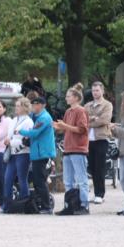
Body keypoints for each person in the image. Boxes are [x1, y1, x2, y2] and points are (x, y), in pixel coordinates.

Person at [53, 84, 90, 215]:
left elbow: (82, 129)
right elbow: (67, 127)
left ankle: (84, 205)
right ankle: (70, 204)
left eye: (68, 96)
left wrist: (65, 126)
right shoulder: (68, 111)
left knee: (81, 179)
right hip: (68, 148)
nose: (66, 98)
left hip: (78, 148)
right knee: (68, 180)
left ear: (75, 97)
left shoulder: (81, 111)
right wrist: (59, 126)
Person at [25, 96, 57, 214]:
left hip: (43, 153)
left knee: (41, 181)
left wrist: (20, 131)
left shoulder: (44, 117)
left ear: (42, 105)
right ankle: (40, 204)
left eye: (36, 104)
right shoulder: (34, 116)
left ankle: (47, 206)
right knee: (37, 180)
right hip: (37, 153)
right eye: (32, 104)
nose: (33, 107)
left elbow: (34, 132)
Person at [85, 81, 113, 204]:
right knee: (91, 167)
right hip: (88, 139)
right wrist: (93, 119)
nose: (95, 93)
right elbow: (83, 120)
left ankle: (100, 194)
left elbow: (104, 120)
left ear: (102, 91)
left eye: (97, 90)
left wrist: (91, 121)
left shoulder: (107, 105)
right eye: (93, 90)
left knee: (100, 167)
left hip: (101, 138)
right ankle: (96, 191)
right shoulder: (87, 105)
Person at [3, 97, 34, 210]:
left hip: (23, 153)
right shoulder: (13, 120)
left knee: (22, 179)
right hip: (12, 153)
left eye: (18, 106)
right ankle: (7, 204)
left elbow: (26, 140)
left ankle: (24, 203)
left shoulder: (28, 122)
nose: (16, 108)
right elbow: (10, 134)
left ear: (25, 107)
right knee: (7, 179)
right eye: (16, 105)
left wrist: (10, 141)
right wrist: (7, 139)